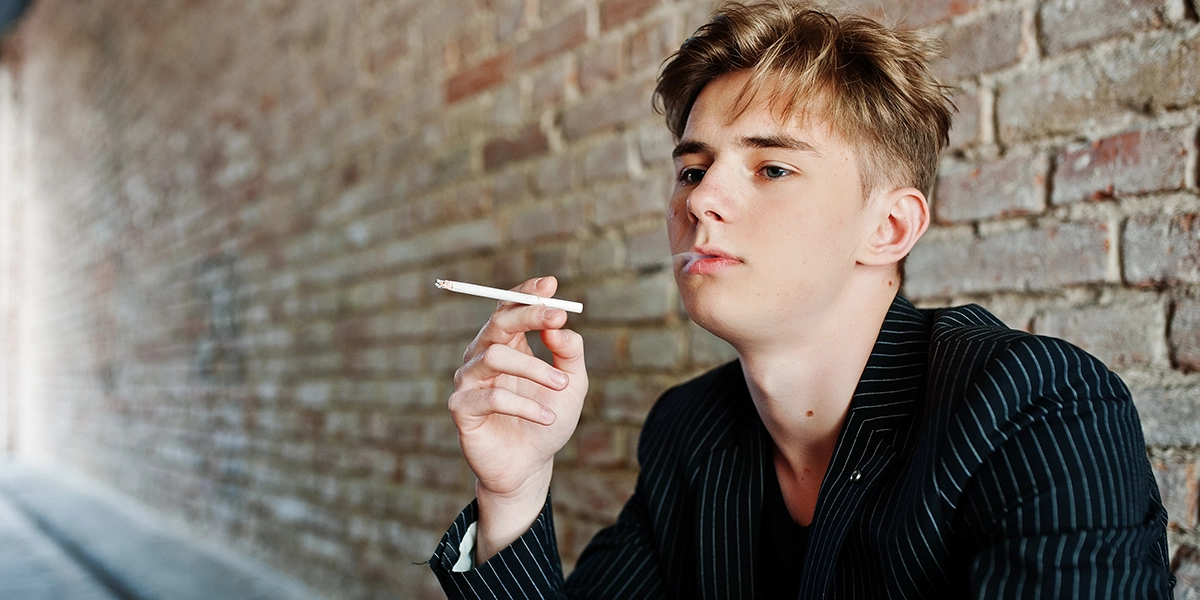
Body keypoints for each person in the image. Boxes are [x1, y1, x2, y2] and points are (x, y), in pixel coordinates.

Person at [428, 2, 1175, 597]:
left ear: (888, 227)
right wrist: (515, 494)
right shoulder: (687, 435)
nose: (704, 199)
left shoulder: (1035, 408)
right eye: (692, 170)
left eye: (772, 168)